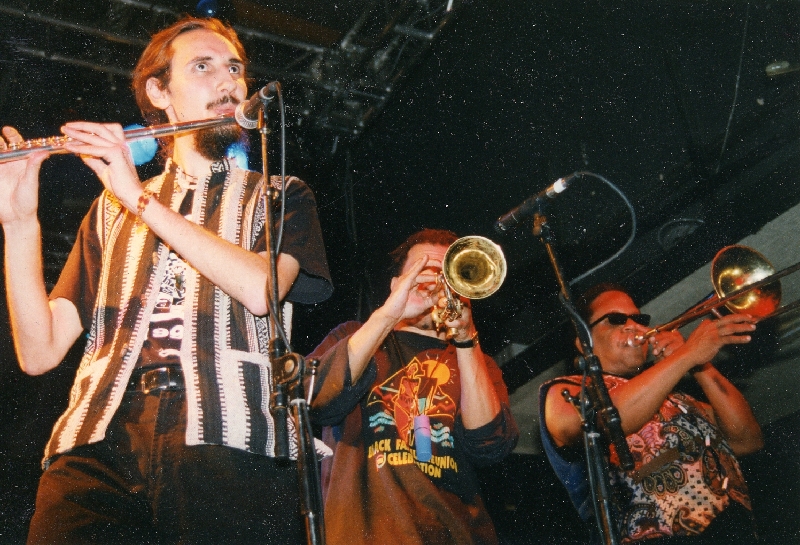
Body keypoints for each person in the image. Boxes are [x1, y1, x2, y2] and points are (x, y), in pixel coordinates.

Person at [0, 16, 332, 544]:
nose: (229, 83)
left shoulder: (279, 193)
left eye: (235, 69)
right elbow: (38, 351)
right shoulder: (110, 210)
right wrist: (18, 222)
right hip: (97, 441)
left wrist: (137, 197)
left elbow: (259, 290)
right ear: (160, 93)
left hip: (230, 441)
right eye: (203, 67)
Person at [307, 228, 519, 544]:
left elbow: (489, 445)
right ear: (395, 284)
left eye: (445, 274)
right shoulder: (354, 336)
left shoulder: (477, 361)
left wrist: (465, 337)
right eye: (422, 270)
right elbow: (318, 398)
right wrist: (390, 315)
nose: (434, 281)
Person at [540, 283, 764, 544]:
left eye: (639, 319)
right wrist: (688, 355)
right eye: (616, 319)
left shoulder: (677, 397)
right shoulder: (563, 391)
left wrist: (701, 366)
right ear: (583, 342)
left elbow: (748, 440)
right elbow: (612, 420)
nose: (633, 325)